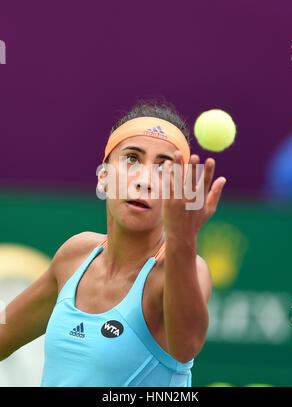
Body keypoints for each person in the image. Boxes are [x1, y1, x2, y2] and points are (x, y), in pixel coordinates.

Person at [0, 100, 226, 387]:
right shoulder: (75, 255)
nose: (144, 179)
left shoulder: (184, 268)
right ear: (103, 177)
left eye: (163, 168)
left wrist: (183, 240)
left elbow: (186, 346)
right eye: (132, 158)